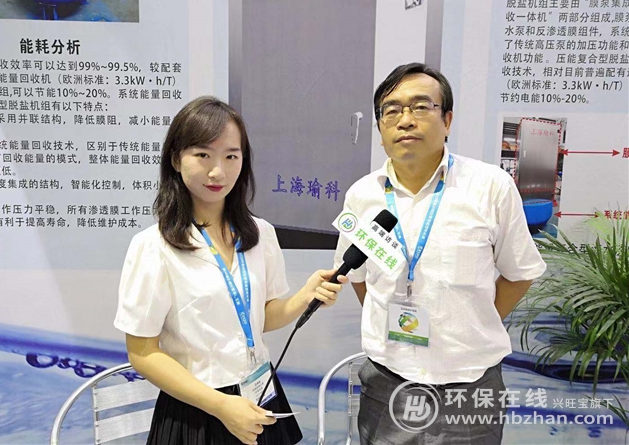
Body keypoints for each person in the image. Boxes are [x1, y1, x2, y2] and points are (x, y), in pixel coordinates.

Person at [334, 63, 546, 444]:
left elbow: (520, 273)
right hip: (387, 384)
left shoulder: (490, 187)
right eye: (391, 110)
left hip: (469, 388)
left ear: (447, 120)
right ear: (380, 128)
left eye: (420, 106)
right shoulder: (362, 196)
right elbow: (359, 279)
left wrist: (471, 321)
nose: (405, 120)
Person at [114, 96, 346, 445]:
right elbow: (142, 352)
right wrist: (221, 406)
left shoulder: (261, 233)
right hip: (197, 409)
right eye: (203, 155)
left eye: (231, 156)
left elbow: (261, 317)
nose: (218, 172)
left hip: (259, 393)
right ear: (176, 159)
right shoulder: (153, 245)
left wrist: (304, 296)